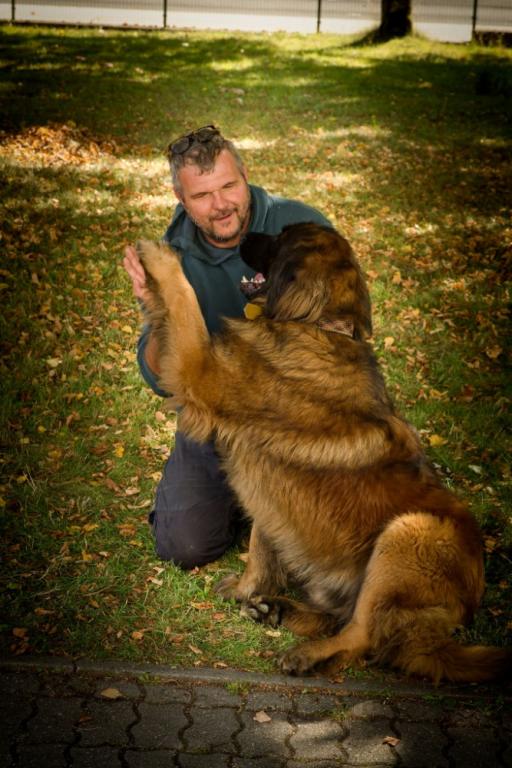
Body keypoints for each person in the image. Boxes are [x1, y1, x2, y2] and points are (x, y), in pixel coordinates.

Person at [123, 125, 332, 569]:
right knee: (185, 545)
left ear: (245, 175)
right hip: (218, 417)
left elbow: (344, 334)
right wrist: (161, 311)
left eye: (229, 186)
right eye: (202, 195)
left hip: (300, 414)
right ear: (181, 198)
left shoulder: (301, 226)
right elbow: (159, 377)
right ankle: (240, 494)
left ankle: (266, 492)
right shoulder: (170, 257)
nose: (221, 205)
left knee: (327, 539)